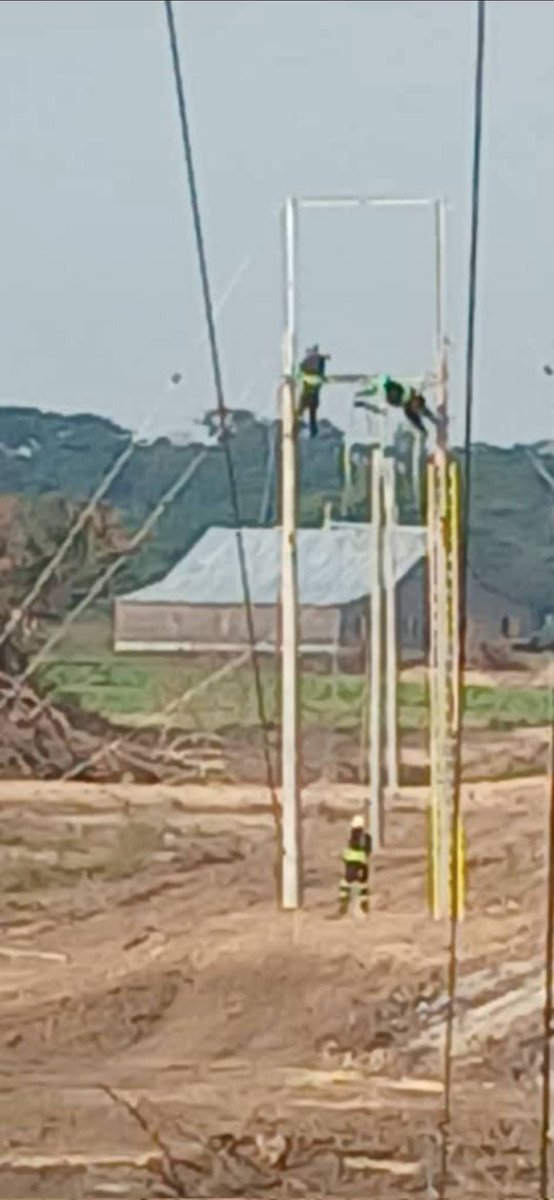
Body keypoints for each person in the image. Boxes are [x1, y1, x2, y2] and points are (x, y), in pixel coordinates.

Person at [355, 376, 439, 436]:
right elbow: (372, 391)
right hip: (406, 400)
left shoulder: (385, 386)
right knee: (410, 414)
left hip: (409, 397)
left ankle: (433, 419)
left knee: (415, 409)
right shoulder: (382, 391)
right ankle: (424, 429)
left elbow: (384, 382)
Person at [339, 814, 372, 916]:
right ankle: (364, 903)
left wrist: (344, 856)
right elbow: (368, 850)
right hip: (362, 862)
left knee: (345, 882)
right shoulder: (367, 837)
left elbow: (348, 852)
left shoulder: (352, 836)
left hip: (351, 863)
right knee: (363, 883)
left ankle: (344, 901)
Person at [298, 344, 330, 437]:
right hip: (313, 393)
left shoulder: (307, 362)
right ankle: (311, 430)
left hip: (309, 393)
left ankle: (305, 429)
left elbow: (301, 371)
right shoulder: (319, 360)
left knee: (303, 412)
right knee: (311, 414)